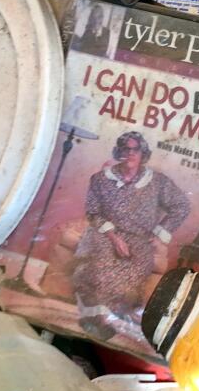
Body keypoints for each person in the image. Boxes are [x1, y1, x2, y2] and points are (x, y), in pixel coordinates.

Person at [72, 132, 190, 340]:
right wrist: (114, 238)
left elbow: (182, 205)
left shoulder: (157, 182)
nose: (130, 153)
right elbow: (93, 212)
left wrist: (159, 233)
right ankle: (94, 318)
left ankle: (105, 321)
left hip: (138, 240)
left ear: (143, 153)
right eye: (125, 148)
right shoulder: (100, 180)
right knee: (98, 262)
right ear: (119, 152)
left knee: (132, 270)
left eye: (135, 149)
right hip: (105, 233)